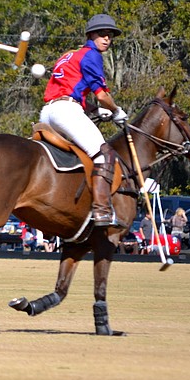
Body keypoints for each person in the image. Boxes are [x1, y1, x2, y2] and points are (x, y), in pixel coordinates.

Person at [40, 14, 128, 227]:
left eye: (110, 35)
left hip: (47, 113)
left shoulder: (68, 55)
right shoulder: (92, 55)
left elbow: (71, 92)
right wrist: (116, 111)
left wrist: (95, 110)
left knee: (72, 159)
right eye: (102, 34)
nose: (107, 39)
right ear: (91, 35)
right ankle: (102, 211)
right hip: (65, 113)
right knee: (103, 154)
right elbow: (102, 95)